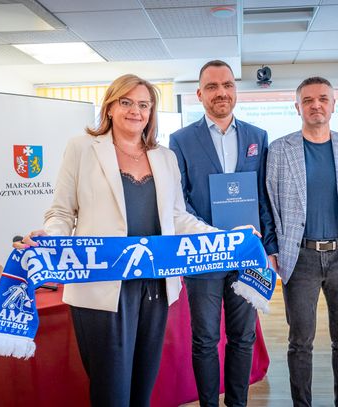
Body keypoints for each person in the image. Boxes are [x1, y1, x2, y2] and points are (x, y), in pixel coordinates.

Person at [14, 74, 231, 407]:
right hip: (102, 284)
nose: (135, 111)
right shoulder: (82, 149)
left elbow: (177, 217)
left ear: (151, 111)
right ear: (110, 107)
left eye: (144, 104)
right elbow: (61, 212)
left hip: (155, 285)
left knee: (143, 387)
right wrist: (50, 238)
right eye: (126, 102)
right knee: (111, 391)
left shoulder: (165, 157)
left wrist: (222, 238)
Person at [169, 60, 277, 407]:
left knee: (243, 337)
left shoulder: (257, 137)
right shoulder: (181, 140)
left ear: (235, 90)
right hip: (203, 253)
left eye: (227, 85)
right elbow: (179, 199)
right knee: (204, 339)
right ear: (200, 94)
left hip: (246, 253)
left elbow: (263, 197)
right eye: (212, 86)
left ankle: (237, 403)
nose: (221, 92)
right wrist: (211, 235)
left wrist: (268, 248)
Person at [266, 76, 338, 407]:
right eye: (308, 100)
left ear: (333, 105)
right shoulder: (279, 149)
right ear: (297, 106)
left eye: (323, 99)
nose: (316, 105)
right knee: (300, 341)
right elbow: (271, 200)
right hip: (299, 257)